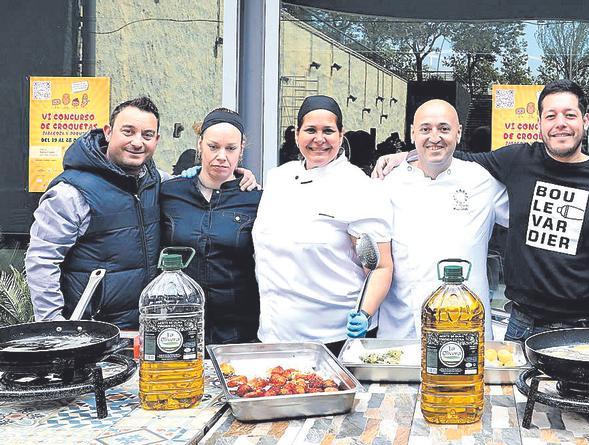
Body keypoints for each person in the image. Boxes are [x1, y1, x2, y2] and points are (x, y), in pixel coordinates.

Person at [376, 80, 589, 341]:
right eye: (551, 115)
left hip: (584, 327)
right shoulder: (518, 160)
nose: (561, 123)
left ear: (585, 120)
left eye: (570, 115)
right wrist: (406, 156)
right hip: (522, 324)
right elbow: (455, 156)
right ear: (539, 123)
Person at [25, 96, 258, 329]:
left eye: (147, 135)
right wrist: (52, 326)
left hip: (148, 327)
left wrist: (234, 177)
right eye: (128, 131)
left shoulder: (157, 182)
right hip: (91, 330)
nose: (137, 142)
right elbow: (42, 260)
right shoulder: (71, 193)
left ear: (156, 140)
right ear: (108, 132)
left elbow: (203, 182)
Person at [253, 95, 393, 355]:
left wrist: (365, 313)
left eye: (328, 130)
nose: (319, 139)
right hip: (274, 333)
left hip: (334, 337)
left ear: (341, 135)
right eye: (310, 130)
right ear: (296, 135)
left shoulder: (359, 187)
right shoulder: (278, 178)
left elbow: (380, 266)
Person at [378, 99, 508, 339]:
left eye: (444, 129)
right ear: (412, 133)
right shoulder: (388, 183)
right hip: (403, 328)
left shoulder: (481, 180)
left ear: (458, 133)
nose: (434, 137)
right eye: (425, 129)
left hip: (467, 327)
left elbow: (526, 217)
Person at [159, 108, 261, 345]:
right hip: (177, 325)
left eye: (231, 148)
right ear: (200, 145)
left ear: (241, 150)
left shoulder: (255, 199)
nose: (221, 156)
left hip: (238, 329)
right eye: (213, 147)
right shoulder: (170, 192)